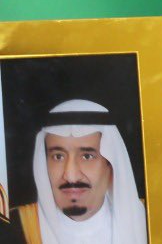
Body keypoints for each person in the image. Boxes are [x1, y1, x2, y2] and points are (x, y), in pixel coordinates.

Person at [5, 99, 147, 244]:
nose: (71, 176)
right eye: (58, 156)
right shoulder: (13, 227)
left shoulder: (149, 220)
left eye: (87, 156)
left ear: (110, 165)